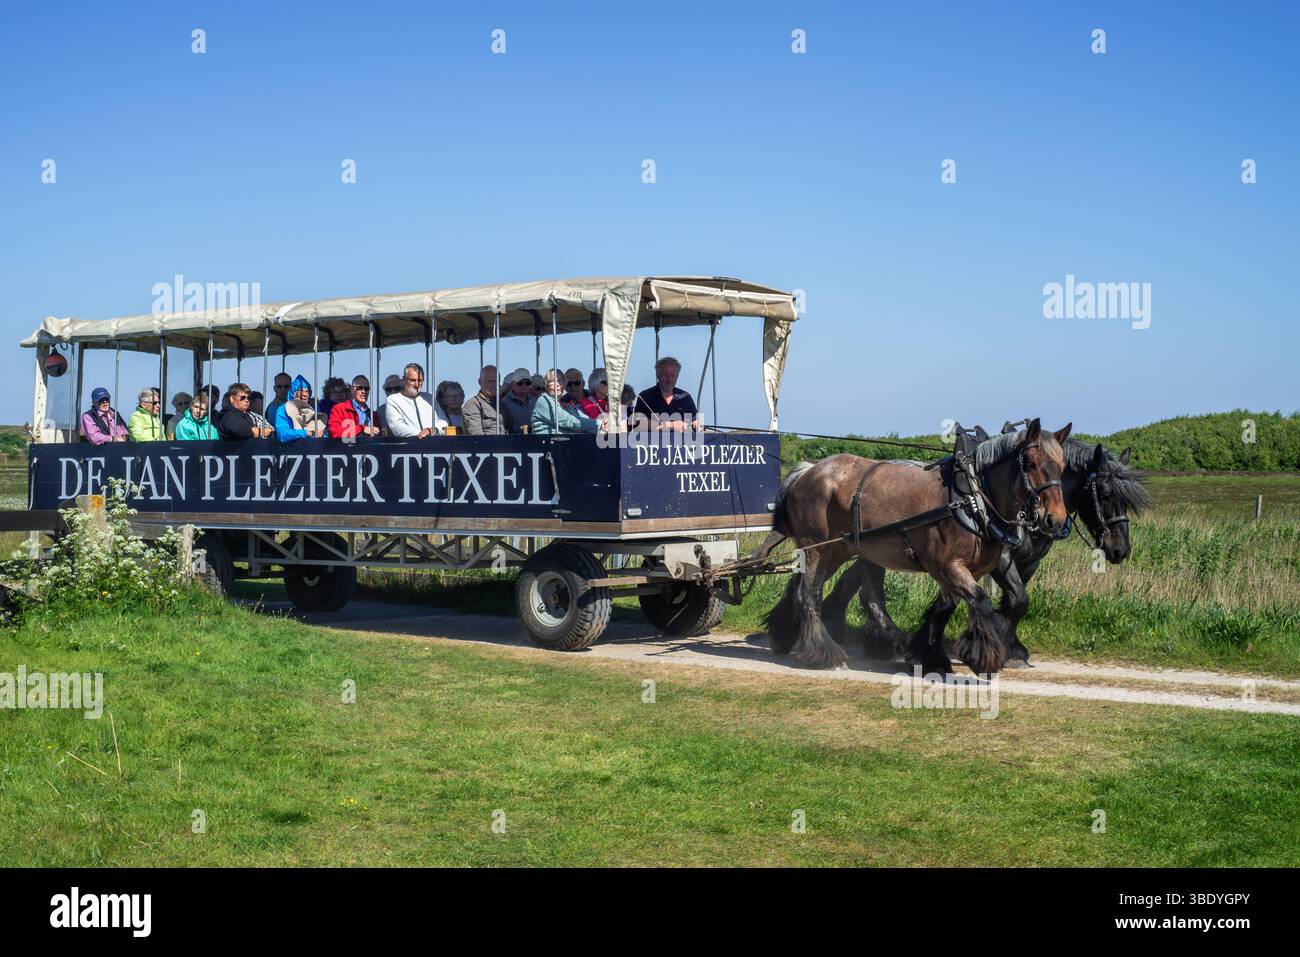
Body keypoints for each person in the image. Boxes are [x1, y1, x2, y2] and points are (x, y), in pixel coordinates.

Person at [635, 356, 700, 432]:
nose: (669, 379)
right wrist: (670, 425)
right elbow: (638, 422)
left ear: (677, 377)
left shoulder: (685, 397)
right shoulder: (645, 396)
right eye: (666, 375)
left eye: (672, 376)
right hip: (652, 442)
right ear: (658, 376)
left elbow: (694, 420)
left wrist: (697, 425)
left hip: (682, 443)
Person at [384, 363, 447, 438]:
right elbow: (397, 427)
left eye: (420, 381)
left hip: (433, 446)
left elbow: (444, 421)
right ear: (404, 380)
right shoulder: (393, 400)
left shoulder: (429, 398)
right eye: (412, 380)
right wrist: (422, 434)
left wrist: (432, 430)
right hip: (410, 447)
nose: (417, 385)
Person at [531, 370, 600, 435]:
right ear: (546, 385)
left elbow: (581, 418)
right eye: (552, 381)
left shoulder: (565, 404)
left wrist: (604, 423)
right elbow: (568, 421)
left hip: (565, 443)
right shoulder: (543, 401)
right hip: (547, 443)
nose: (557, 384)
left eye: (559, 381)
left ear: (564, 385)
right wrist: (599, 424)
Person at [327, 375, 381, 440]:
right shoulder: (339, 409)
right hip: (346, 449)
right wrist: (362, 429)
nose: (363, 391)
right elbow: (335, 432)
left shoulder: (373, 414)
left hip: (369, 449)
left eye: (366, 389)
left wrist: (381, 432)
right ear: (352, 390)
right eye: (359, 388)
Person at [275, 375, 326, 442]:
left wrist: (323, 433)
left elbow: (324, 431)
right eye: (301, 391)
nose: (304, 394)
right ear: (293, 392)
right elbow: (283, 434)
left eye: (307, 391)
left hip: (312, 450)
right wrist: (306, 433)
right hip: (290, 450)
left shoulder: (315, 409)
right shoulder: (283, 410)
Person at [461, 366, 505, 435]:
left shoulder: (502, 405)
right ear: (480, 382)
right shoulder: (473, 405)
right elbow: (477, 436)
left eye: (496, 381)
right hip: (487, 444)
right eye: (490, 381)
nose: (494, 385)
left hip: (507, 443)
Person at [500, 367, 535, 434]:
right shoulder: (504, 403)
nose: (524, 385)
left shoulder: (536, 401)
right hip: (514, 441)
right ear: (512, 384)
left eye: (527, 383)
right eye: (520, 383)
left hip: (537, 441)